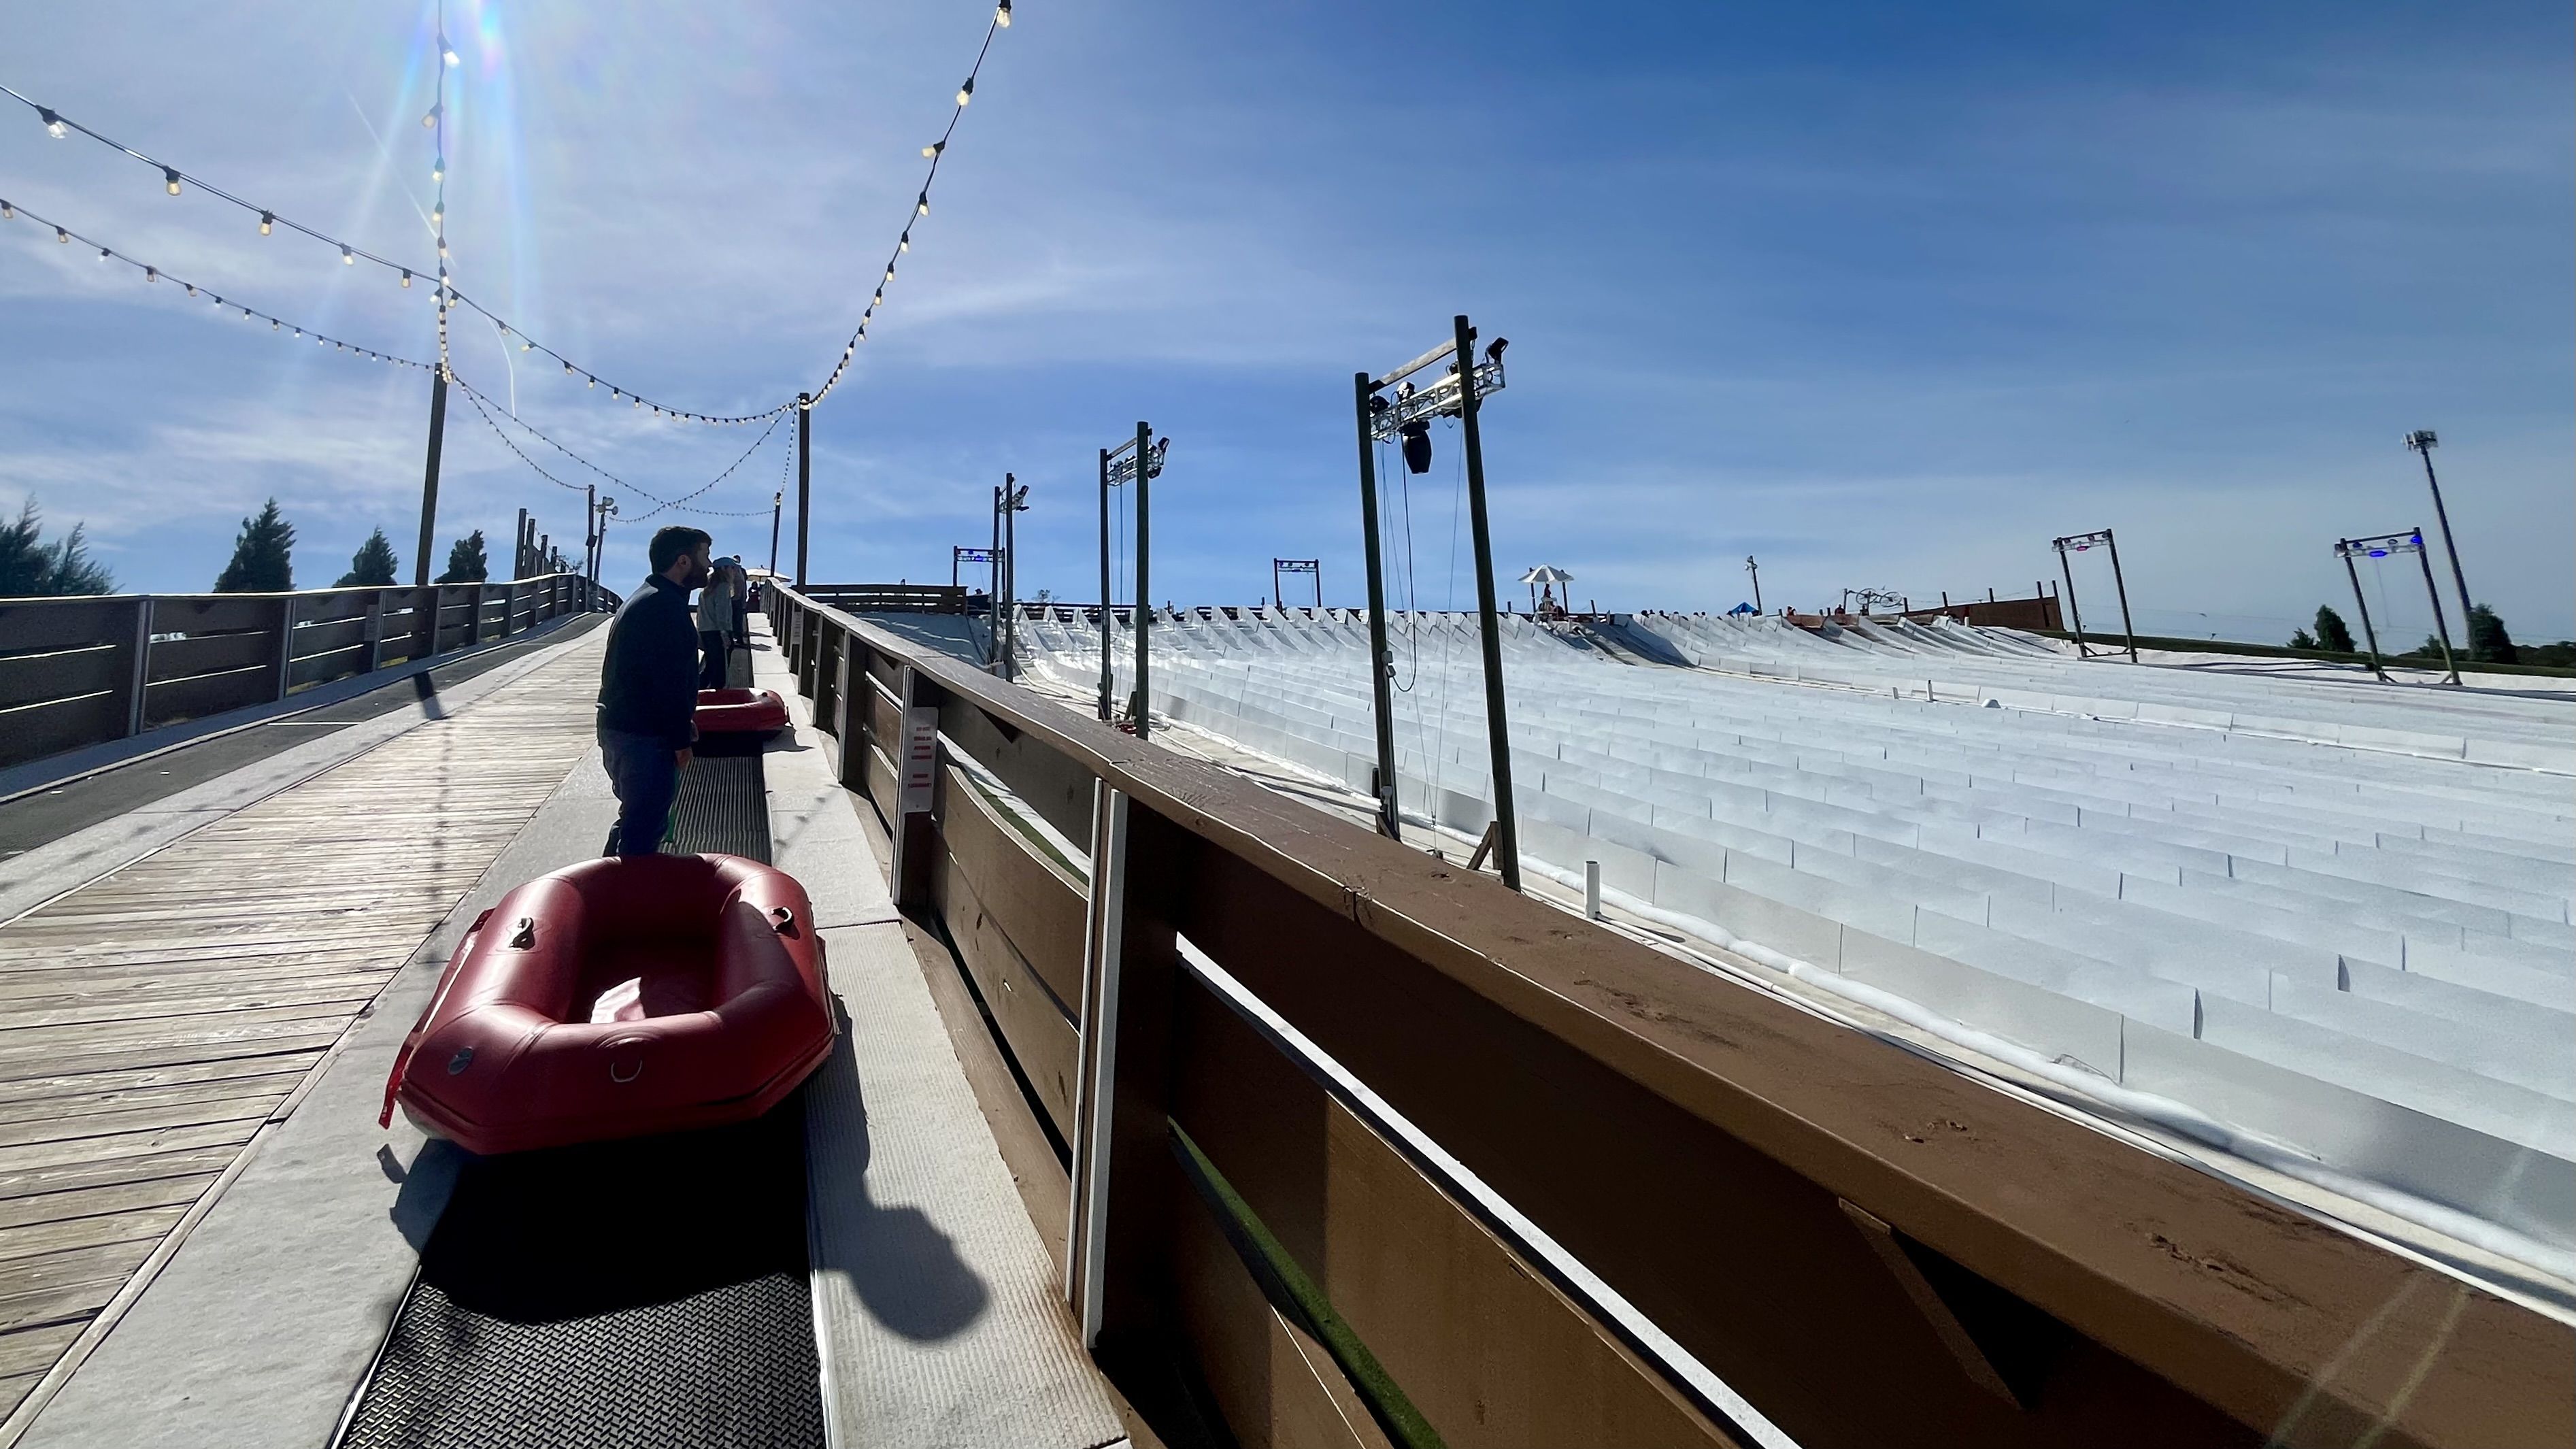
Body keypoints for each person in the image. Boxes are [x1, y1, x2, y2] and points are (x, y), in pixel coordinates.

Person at [597, 525, 711, 855]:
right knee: (643, 830)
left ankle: (609, 889)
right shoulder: (666, 608)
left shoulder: (647, 598)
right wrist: (679, 742)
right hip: (643, 738)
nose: (709, 565)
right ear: (684, 561)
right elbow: (668, 684)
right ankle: (624, 901)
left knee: (635, 818)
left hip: (622, 728)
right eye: (704, 555)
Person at [696, 558, 739, 690]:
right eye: (732, 568)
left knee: (710, 666)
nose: (735, 571)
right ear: (724, 569)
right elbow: (722, 611)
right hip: (719, 631)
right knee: (721, 669)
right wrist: (724, 633)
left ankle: (698, 691)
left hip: (706, 630)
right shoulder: (723, 586)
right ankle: (718, 695)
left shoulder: (707, 588)